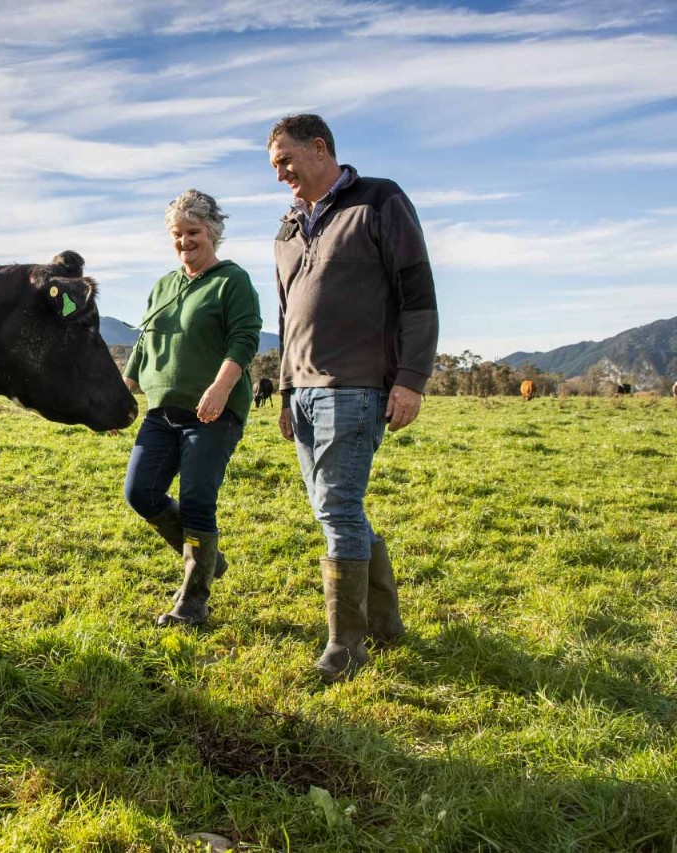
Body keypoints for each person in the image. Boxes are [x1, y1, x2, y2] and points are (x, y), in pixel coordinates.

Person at [266, 114, 438, 681]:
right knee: (336, 509)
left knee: (337, 509)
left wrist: (411, 378)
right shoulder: (287, 230)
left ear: (320, 148)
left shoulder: (379, 201)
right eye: (274, 167)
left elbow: (417, 296)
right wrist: (287, 387)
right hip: (305, 392)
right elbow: (289, 316)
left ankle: (347, 646)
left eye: (287, 160)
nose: (281, 174)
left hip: (357, 387)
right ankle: (386, 625)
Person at [123, 190, 262, 626]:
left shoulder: (231, 281)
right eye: (178, 234)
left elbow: (244, 339)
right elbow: (145, 342)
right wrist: (123, 390)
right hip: (162, 409)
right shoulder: (164, 285)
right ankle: (206, 558)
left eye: (194, 232)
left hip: (212, 411)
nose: (185, 241)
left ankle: (193, 600)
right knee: (139, 492)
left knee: (197, 502)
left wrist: (221, 387)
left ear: (213, 232)